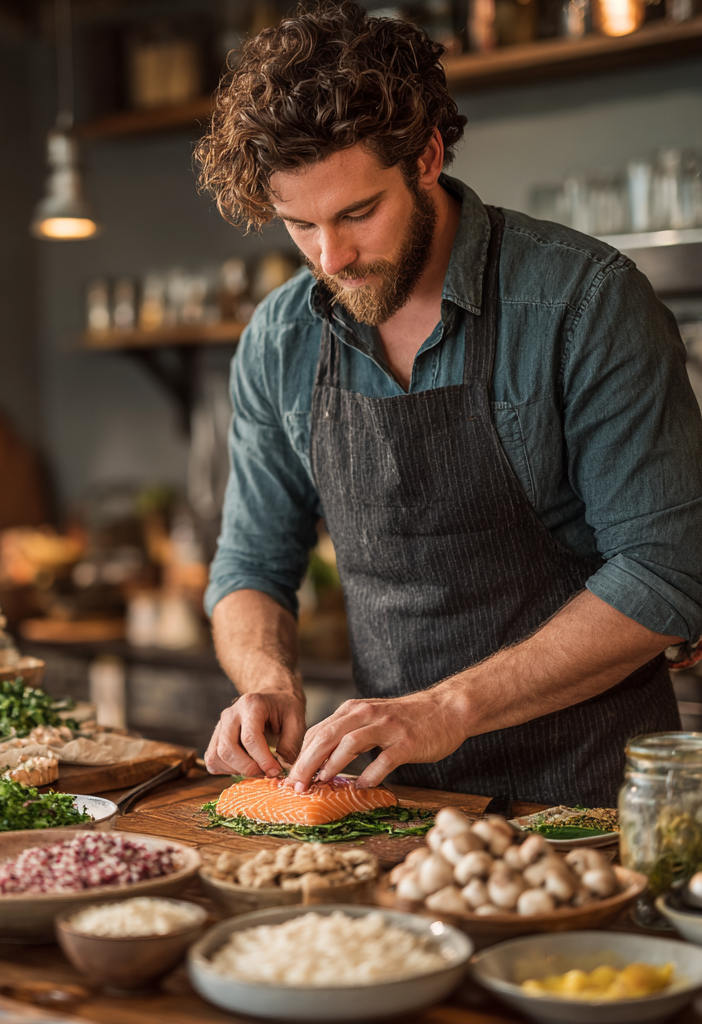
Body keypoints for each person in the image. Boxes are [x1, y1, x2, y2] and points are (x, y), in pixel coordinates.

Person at [196, 1, 702, 805]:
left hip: (586, 799)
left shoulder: (583, 304)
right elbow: (250, 566)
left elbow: (667, 573)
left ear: (426, 157)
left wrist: (447, 707)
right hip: (392, 801)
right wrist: (268, 681)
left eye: (359, 213)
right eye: (300, 226)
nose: (332, 257)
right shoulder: (279, 340)